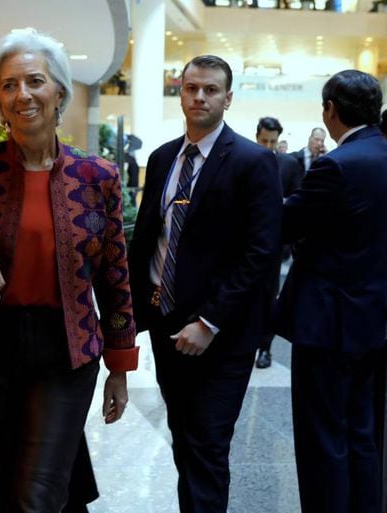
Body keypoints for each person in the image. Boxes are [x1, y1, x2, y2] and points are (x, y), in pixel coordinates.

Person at [0, 29, 138, 513]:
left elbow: (115, 280)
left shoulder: (97, 177)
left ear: (59, 91)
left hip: (67, 350)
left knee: (35, 496)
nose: (22, 95)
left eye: (35, 81)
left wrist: (120, 368)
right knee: (2, 487)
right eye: (9, 85)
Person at [129, 55, 282, 513]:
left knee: (208, 444)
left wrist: (209, 321)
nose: (199, 97)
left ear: (228, 98)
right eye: (191, 88)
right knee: (184, 438)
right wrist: (131, 316)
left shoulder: (254, 161)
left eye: (210, 90)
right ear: (180, 93)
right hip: (166, 325)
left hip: (221, 333)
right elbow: (149, 240)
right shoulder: (162, 159)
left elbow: (260, 253)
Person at [275, 69, 387, 513]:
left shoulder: (336, 165)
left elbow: (288, 223)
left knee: (323, 437)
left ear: (330, 110)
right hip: (375, 321)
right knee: (363, 432)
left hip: (327, 323)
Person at [253, 116, 302, 369]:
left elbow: (298, 199)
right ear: (257, 137)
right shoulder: (244, 160)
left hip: (272, 244)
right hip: (244, 242)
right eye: (264, 141)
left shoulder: (289, 164)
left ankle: (265, 347)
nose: (268, 146)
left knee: (268, 296)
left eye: (272, 142)